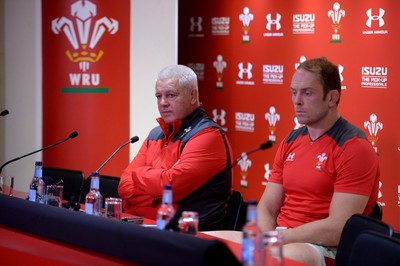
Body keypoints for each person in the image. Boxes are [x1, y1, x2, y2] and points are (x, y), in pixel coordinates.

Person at [257, 57, 380, 266]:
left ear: (331, 98)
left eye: (307, 93)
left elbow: (338, 228)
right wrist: (267, 237)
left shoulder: (353, 146)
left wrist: (276, 240)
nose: (297, 101)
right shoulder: (291, 139)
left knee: (266, 259)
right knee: (212, 245)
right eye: (293, 92)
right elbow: (266, 207)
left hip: (324, 248)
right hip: (281, 239)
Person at [118, 64, 233, 231]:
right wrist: (157, 196)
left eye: (171, 95)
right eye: (158, 96)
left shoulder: (208, 136)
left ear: (193, 96)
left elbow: (168, 186)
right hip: (145, 225)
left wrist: (138, 175)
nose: (163, 103)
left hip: (190, 235)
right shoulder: (155, 134)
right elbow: (124, 185)